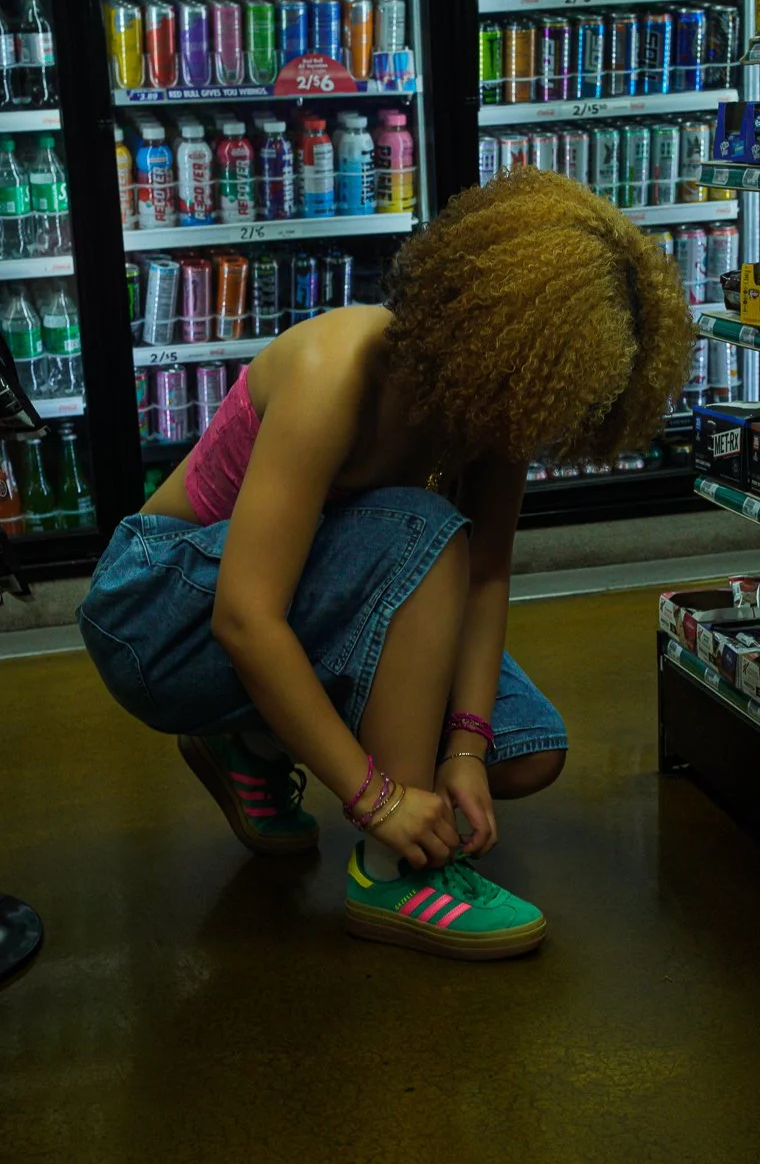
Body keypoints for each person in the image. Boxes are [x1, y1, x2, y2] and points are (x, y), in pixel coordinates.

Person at [77, 168, 693, 961]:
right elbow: (245, 615)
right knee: (426, 530)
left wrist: (465, 750)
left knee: (527, 749)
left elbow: (488, 578)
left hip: (290, 610)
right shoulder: (338, 367)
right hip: (161, 615)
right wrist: (379, 801)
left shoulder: (495, 408)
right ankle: (392, 875)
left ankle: (255, 741)